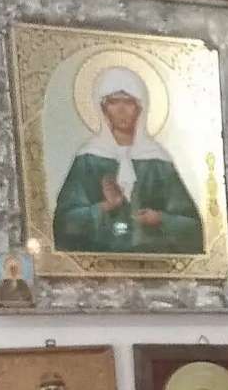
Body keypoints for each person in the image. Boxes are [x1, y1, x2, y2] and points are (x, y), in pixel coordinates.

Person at [52, 67, 203, 255]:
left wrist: (160, 219)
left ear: (140, 108)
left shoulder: (158, 160)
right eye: (114, 102)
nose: (121, 110)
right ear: (103, 108)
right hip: (98, 261)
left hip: (152, 260)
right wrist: (105, 207)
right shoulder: (88, 158)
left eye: (129, 102)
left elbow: (192, 226)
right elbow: (64, 223)